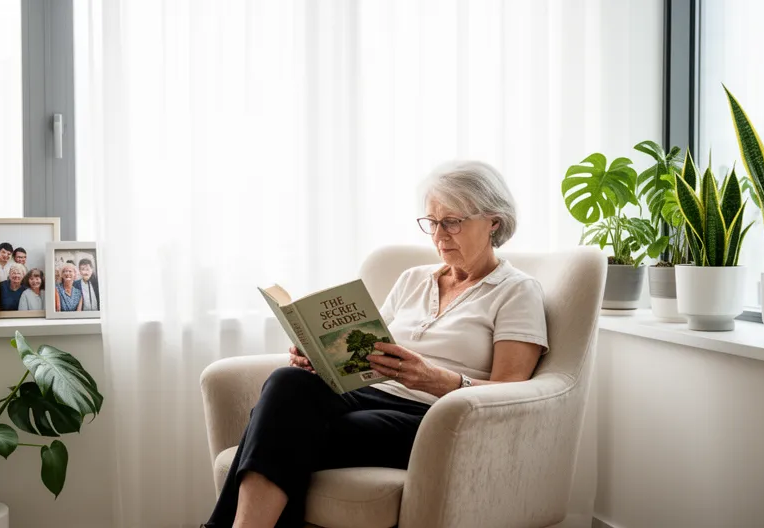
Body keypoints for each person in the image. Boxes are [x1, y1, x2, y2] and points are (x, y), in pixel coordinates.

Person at [205, 160, 549, 527]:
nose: (439, 236)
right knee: (287, 383)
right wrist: (322, 356)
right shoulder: (413, 279)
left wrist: (432, 377)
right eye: (432, 222)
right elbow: (371, 350)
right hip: (372, 393)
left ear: (493, 221)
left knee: (280, 427)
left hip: (436, 418)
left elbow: (512, 391)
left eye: (452, 221)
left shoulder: (516, 291)